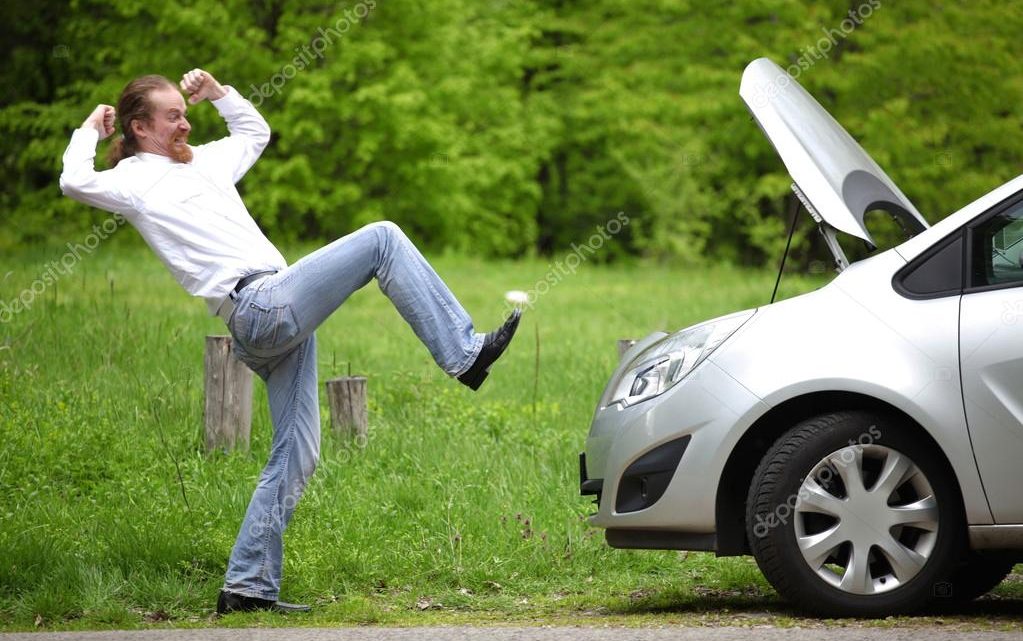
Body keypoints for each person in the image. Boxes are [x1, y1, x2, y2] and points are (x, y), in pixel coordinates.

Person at [59, 68, 521, 614]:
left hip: (272, 317)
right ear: (139, 127)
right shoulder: (134, 181)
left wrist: (220, 96)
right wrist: (90, 128)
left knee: (297, 453)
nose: (185, 122)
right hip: (259, 307)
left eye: (186, 113)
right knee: (382, 238)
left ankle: (247, 587)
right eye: (173, 115)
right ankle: (464, 354)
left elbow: (255, 134)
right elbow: (73, 181)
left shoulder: (203, 162)